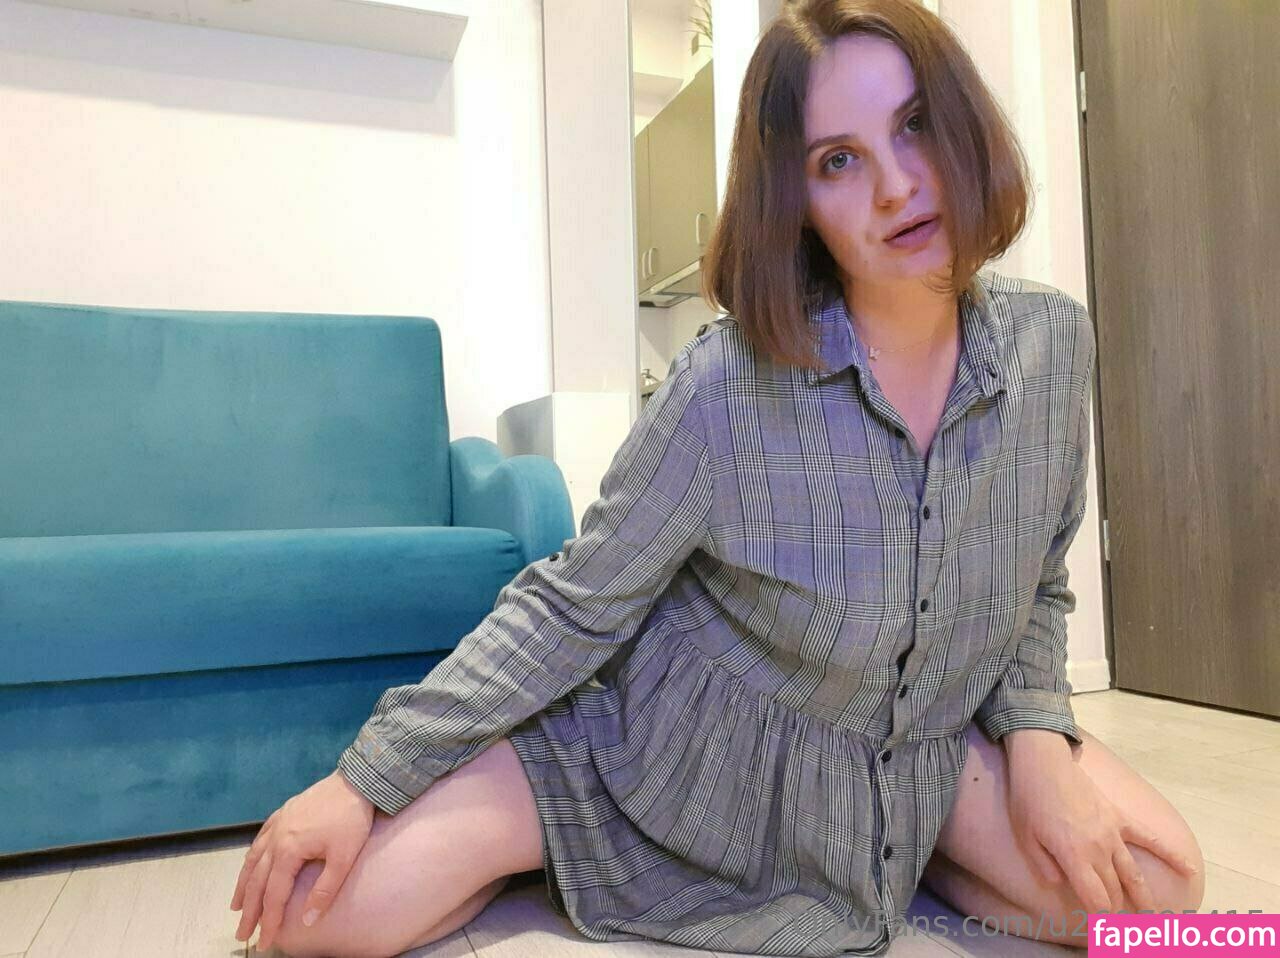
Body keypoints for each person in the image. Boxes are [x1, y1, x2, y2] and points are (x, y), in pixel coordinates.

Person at [230, 1, 1205, 955]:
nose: (897, 186)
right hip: (658, 756)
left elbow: (1036, 582)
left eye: (914, 124)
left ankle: (899, 850)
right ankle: (550, 831)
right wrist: (364, 777)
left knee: (1165, 898)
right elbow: (574, 603)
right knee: (317, 916)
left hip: (920, 747)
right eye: (837, 161)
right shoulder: (723, 384)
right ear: (796, 203)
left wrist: (1037, 745)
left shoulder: (1052, 343)